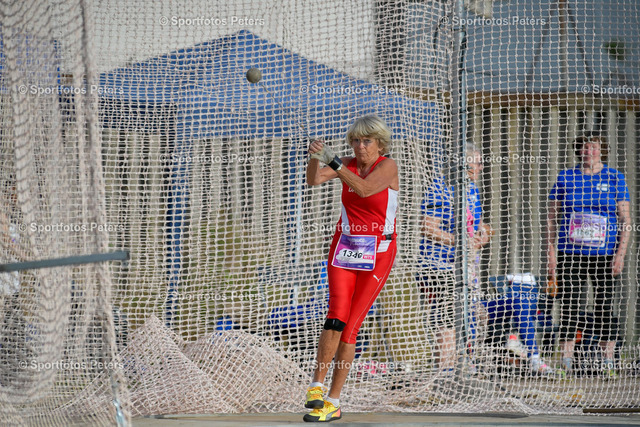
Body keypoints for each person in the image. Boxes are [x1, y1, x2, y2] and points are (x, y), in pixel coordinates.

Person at [419, 145, 555, 376]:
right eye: (477, 162)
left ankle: (525, 357)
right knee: (448, 318)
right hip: (441, 267)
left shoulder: (472, 189)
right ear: (463, 163)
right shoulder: (440, 188)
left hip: (468, 269)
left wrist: (484, 233)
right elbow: (427, 226)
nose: (481, 167)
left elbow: (478, 225)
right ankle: (446, 372)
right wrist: (459, 241)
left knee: (481, 313)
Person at [303, 114, 398, 423]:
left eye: (366, 141)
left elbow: (365, 190)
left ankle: (334, 401)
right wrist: (315, 157)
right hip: (345, 247)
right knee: (335, 317)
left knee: (350, 328)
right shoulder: (346, 163)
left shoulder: (388, 166)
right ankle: (317, 386)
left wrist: (333, 161)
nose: (359, 146)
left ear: (380, 144)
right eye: (355, 141)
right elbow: (314, 180)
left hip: (378, 253)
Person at [547, 132, 631, 378]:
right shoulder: (565, 177)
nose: (588, 151)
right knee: (569, 305)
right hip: (570, 252)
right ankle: (566, 361)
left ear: (601, 150)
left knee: (604, 305)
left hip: (605, 255)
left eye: (593, 147)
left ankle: (608, 361)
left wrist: (620, 254)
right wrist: (550, 252)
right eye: (584, 147)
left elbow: (625, 220)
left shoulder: (614, 177)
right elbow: (551, 217)